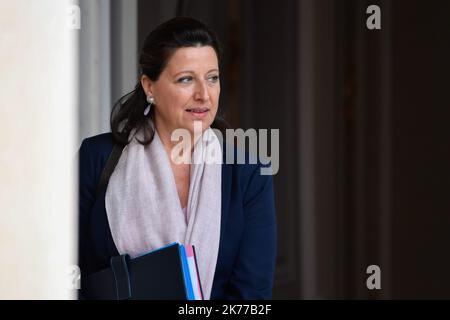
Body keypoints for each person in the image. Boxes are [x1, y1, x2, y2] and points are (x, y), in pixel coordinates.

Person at [78, 16, 277, 300]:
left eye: (212, 78)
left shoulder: (248, 175)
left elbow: (252, 297)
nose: (203, 94)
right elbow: (60, 270)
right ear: (150, 87)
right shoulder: (96, 158)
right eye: (186, 79)